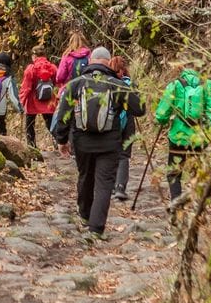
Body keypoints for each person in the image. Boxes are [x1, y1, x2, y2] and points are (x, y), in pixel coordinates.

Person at [51, 46, 145, 236]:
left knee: (85, 177)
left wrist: (62, 140)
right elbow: (140, 109)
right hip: (110, 144)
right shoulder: (117, 85)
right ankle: (96, 229)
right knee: (104, 184)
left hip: (81, 142)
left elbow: (63, 115)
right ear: (108, 62)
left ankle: (85, 215)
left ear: (91, 61)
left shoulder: (76, 84)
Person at [154, 65, 211, 201]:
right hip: (200, 137)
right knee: (199, 173)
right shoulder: (209, 85)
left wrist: (163, 121)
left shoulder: (175, 85)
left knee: (174, 174)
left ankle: (176, 205)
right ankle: (197, 205)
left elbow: (161, 115)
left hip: (179, 136)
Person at [19, 44, 58, 148]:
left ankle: (32, 147)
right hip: (48, 100)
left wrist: (21, 102)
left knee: (29, 125)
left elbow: (26, 88)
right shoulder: (52, 68)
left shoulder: (30, 69)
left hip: (33, 101)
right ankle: (58, 144)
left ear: (34, 56)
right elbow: (55, 82)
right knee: (51, 124)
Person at [111, 55, 137, 201]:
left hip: (112, 123)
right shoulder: (130, 84)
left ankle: (111, 185)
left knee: (111, 153)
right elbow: (138, 105)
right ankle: (120, 187)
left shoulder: (106, 82)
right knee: (124, 155)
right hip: (128, 122)